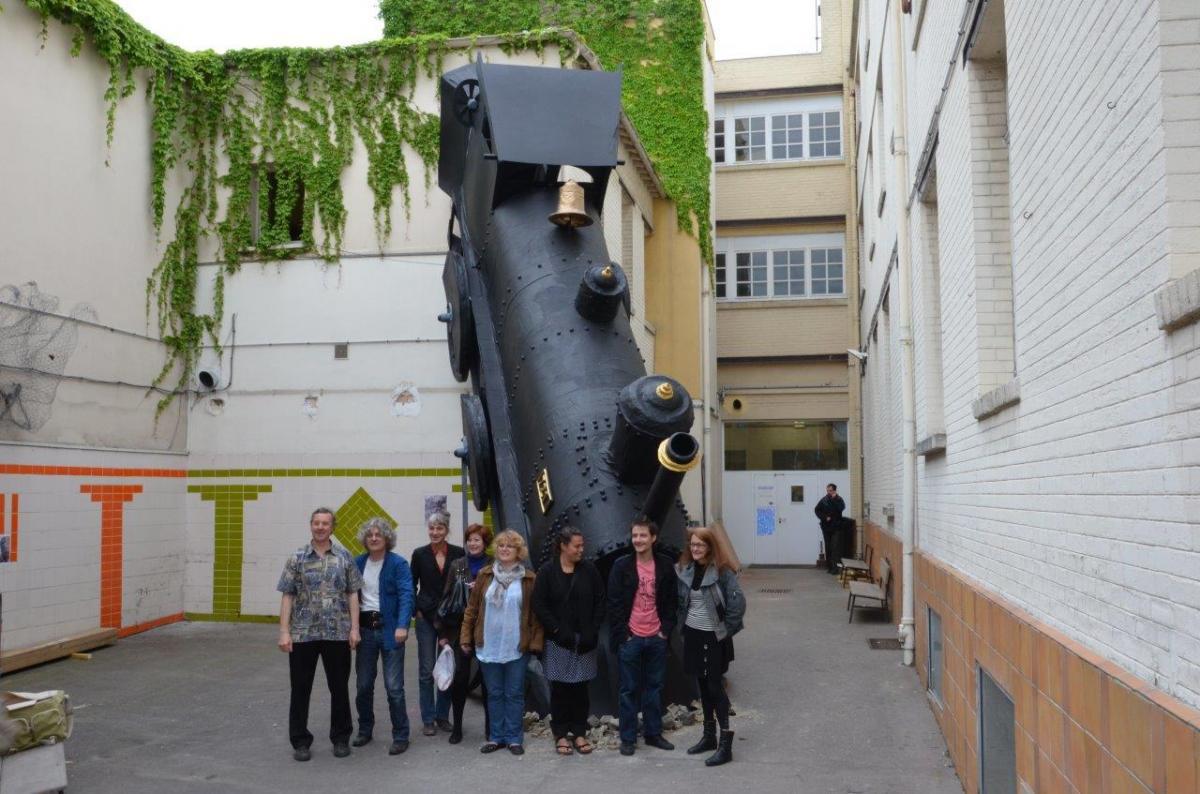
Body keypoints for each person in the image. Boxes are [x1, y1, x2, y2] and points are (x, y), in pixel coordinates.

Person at [277, 507, 363, 762]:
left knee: (339, 688)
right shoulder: (297, 557)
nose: (321, 527)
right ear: (311, 525)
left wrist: (355, 628)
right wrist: (284, 631)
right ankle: (300, 741)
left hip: (337, 633)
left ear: (332, 527)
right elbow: (287, 595)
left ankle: (340, 738)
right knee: (300, 689)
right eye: (316, 523)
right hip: (303, 634)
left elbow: (353, 594)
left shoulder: (345, 557)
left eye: (325, 523)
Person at [459, 529, 543, 756]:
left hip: (516, 646)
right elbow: (472, 610)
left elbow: (535, 616)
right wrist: (466, 637)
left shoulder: (529, 578)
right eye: (501, 545)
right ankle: (496, 737)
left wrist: (536, 643)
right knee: (494, 693)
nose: (504, 549)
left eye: (510, 546)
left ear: (519, 551)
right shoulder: (485, 575)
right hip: (488, 644)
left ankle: (514, 738)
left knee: (514, 693)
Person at [606, 517, 678, 756]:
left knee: (654, 688)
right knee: (628, 689)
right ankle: (628, 738)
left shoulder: (665, 565)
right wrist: (624, 634)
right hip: (632, 637)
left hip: (656, 636)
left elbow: (671, 601)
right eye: (635, 535)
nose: (638, 540)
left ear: (653, 538)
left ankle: (653, 733)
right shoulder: (621, 566)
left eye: (643, 535)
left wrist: (665, 630)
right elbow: (614, 602)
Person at [532, 526, 605, 756]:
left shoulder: (589, 570)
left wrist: (593, 629)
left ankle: (580, 732)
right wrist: (555, 628)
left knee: (581, 689)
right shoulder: (547, 571)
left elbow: (600, 600)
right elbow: (539, 604)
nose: (581, 550)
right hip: (559, 641)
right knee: (561, 690)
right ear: (563, 546)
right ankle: (561, 734)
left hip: (584, 640)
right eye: (577, 546)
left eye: (582, 545)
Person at [677, 525, 746, 767]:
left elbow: (738, 604)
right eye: (693, 544)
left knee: (715, 687)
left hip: (712, 638)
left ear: (710, 547)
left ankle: (725, 745)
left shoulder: (722, 572)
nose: (695, 548)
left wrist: (725, 632)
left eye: (700, 544)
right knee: (703, 688)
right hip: (693, 635)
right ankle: (708, 737)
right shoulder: (687, 570)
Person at [350, 517, 414, 755]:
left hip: (390, 631)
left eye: (378, 534)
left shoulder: (398, 564)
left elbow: (407, 595)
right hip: (365, 632)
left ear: (387, 538)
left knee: (394, 687)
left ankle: (401, 735)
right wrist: (352, 628)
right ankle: (365, 729)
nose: (374, 538)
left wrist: (403, 625)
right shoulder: (357, 563)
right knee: (363, 685)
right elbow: (350, 596)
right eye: (370, 535)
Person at [438, 522, 493, 744]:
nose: (472, 543)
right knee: (460, 679)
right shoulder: (458, 565)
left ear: (485, 542)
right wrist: (442, 632)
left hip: (488, 629)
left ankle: (490, 728)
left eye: (477, 540)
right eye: (469, 540)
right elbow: (447, 596)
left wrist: (481, 588)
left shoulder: (493, 564)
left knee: (488, 681)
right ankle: (457, 727)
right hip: (460, 629)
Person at [411, 509, 464, 736]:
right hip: (425, 618)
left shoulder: (459, 553)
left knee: (447, 667)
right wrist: (416, 611)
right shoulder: (419, 554)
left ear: (447, 530)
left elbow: (462, 585)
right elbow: (411, 584)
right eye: (432, 528)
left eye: (439, 528)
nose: (435, 532)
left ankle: (443, 716)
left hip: (449, 620)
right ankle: (428, 719)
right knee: (426, 670)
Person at [815, 483, 846, 574]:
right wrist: (824, 517)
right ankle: (830, 567)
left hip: (836, 528)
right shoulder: (824, 500)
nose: (829, 492)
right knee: (828, 547)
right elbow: (817, 510)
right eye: (827, 490)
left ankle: (835, 568)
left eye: (830, 491)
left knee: (835, 547)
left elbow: (841, 508)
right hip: (826, 527)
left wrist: (835, 499)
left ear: (835, 491)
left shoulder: (839, 499)